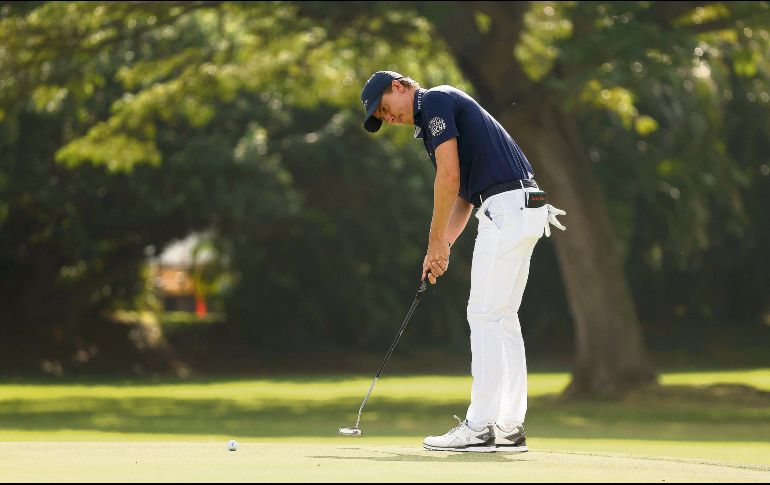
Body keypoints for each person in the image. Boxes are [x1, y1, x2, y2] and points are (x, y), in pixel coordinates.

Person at [360, 71, 566, 453]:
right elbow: (464, 197)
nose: (389, 118)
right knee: (502, 316)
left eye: (385, 108)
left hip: (505, 207)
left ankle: (481, 426)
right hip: (523, 206)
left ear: (399, 87)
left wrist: (434, 240)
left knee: (484, 315)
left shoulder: (433, 100)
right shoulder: (434, 116)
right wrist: (443, 247)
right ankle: (509, 427)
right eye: (382, 117)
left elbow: (449, 176)